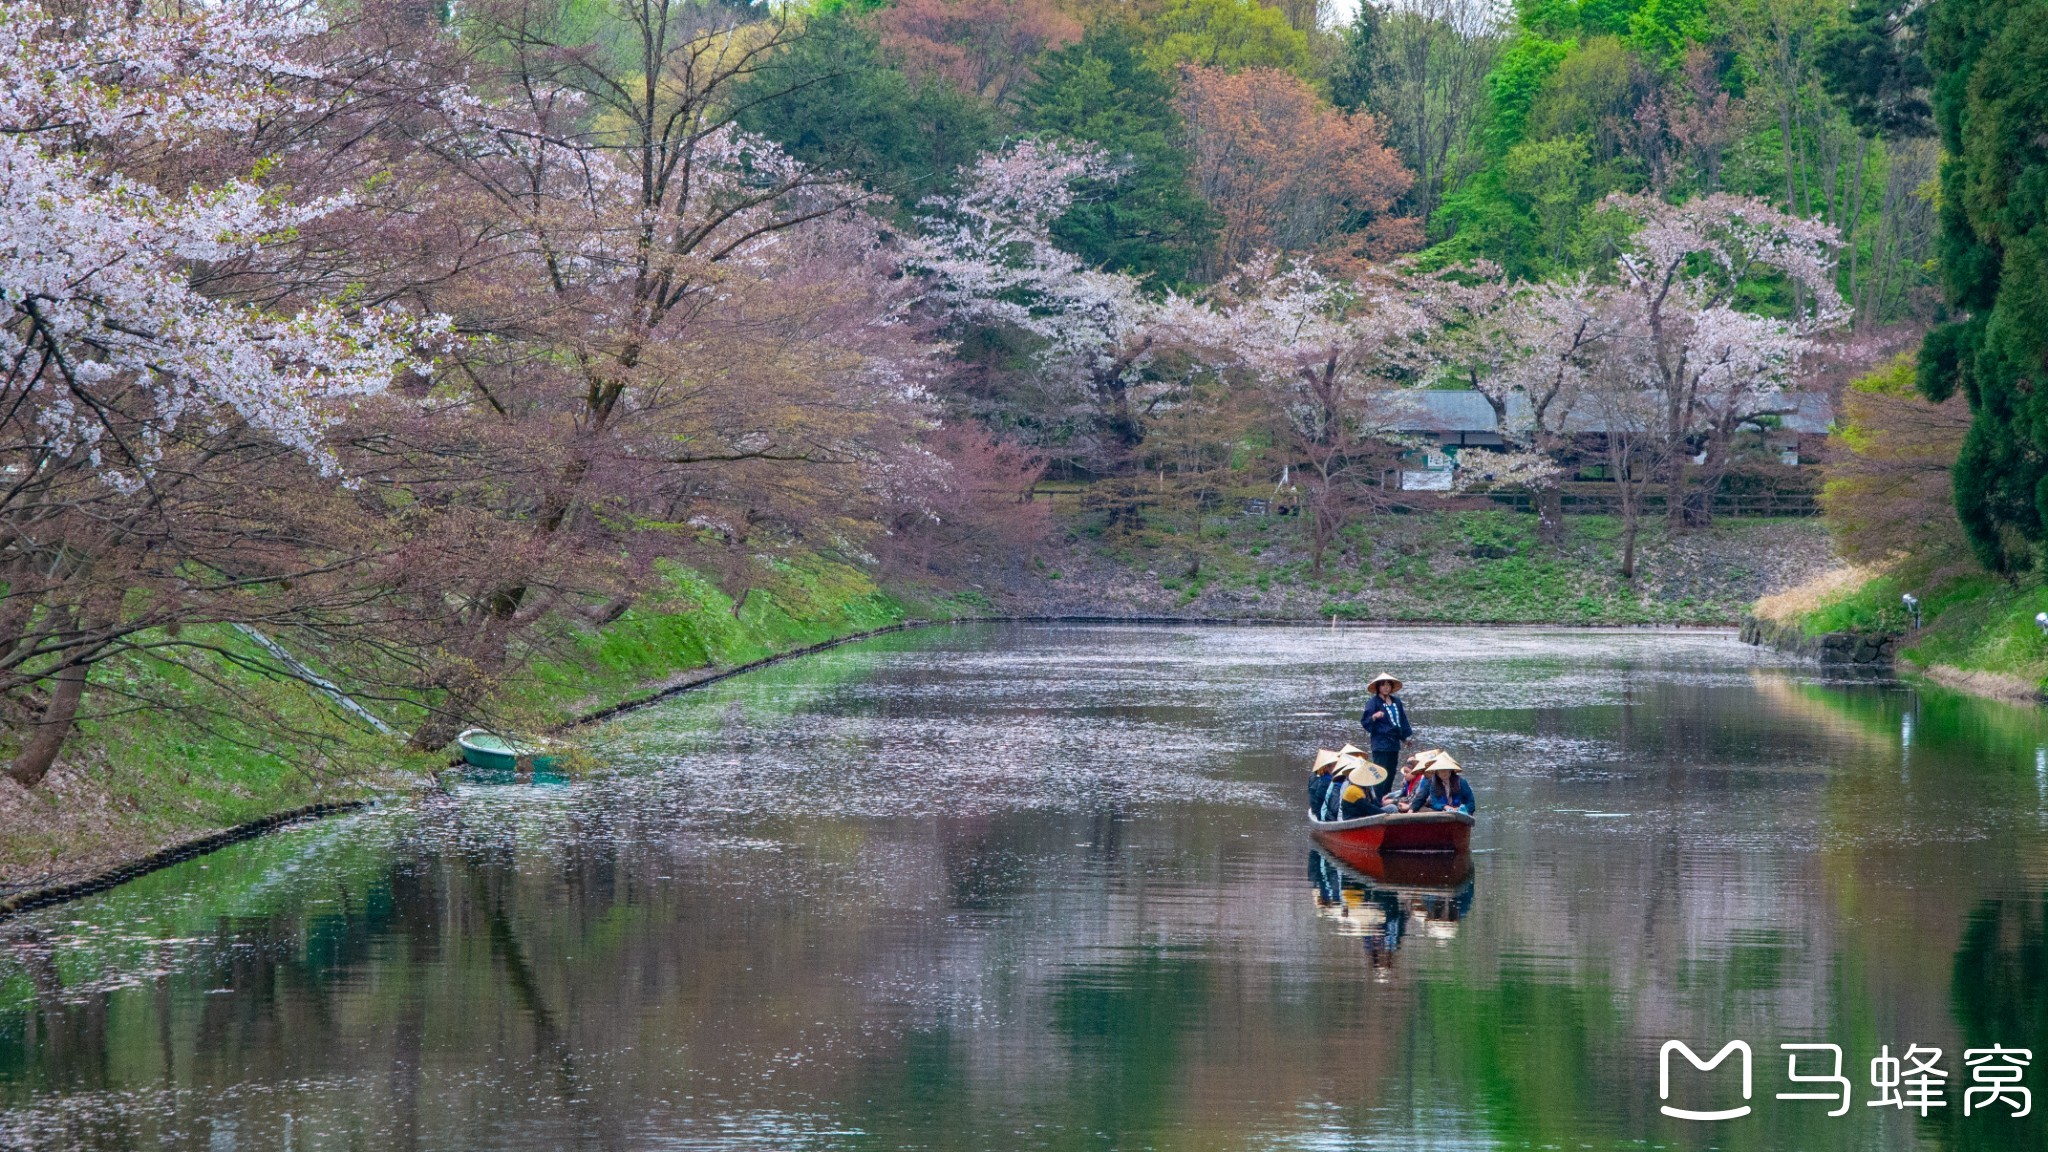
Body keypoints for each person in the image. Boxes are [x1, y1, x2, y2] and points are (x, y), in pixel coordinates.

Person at [1358, 673, 1413, 793]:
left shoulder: (1396, 702)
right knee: (1380, 773)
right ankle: (1378, 799)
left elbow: (1402, 721)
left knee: (1391, 772)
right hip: (1380, 743)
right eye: (1383, 685)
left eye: (1388, 685)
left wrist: (1405, 738)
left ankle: (1386, 797)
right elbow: (1365, 722)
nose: (1386, 687)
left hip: (1393, 743)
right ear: (1378, 687)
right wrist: (1374, 716)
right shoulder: (1373, 703)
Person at [1410, 752, 1476, 815]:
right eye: (1440, 770)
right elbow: (1434, 802)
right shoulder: (1433, 784)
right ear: (1437, 772)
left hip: (1461, 812)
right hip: (1443, 812)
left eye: (1446, 769)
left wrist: (1461, 809)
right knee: (1421, 810)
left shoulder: (1461, 782)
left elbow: (1470, 802)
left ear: (1450, 770)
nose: (1444, 772)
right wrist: (1445, 807)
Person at [1307, 749, 1343, 816]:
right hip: (1323, 814)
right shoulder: (1326, 782)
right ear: (1327, 767)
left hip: (1318, 810)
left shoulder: (1315, 776)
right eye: (1335, 765)